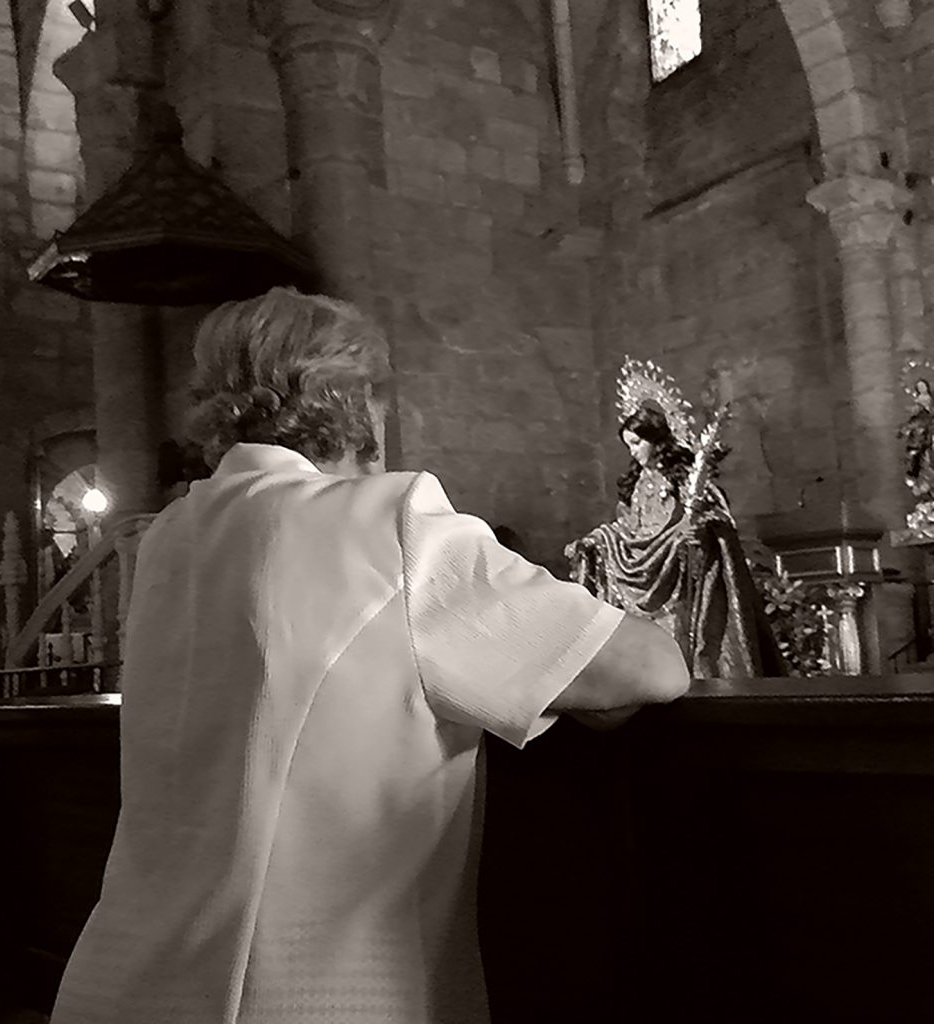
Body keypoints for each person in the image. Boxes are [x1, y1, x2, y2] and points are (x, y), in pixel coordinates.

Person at [49, 288, 688, 1024]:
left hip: (135, 979)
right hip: (304, 997)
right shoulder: (387, 521)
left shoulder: (172, 535)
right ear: (359, 404)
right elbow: (650, 669)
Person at [566, 403, 783, 679]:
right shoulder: (638, 482)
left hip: (676, 571)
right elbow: (631, 527)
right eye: (628, 445)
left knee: (680, 636)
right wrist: (597, 540)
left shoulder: (684, 477)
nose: (632, 451)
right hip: (644, 567)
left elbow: (718, 515)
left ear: (656, 441)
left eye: (637, 443)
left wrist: (700, 529)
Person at [899, 377, 934, 494]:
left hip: (918, 445)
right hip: (923, 444)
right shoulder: (926, 414)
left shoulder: (922, 416)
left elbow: (912, 424)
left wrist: (902, 430)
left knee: (918, 461)